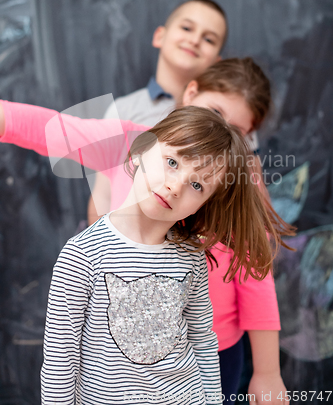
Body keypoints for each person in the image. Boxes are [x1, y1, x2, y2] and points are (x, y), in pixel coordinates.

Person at [0, 58, 292, 404]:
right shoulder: (132, 140)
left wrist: (268, 370)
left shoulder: (238, 176)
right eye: (215, 111)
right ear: (191, 92)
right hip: (113, 362)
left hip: (216, 347)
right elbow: (53, 128)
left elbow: (255, 271)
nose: (220, 130)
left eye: (238, 130)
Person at [87, 0, 229, 224]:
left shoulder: (224, 120)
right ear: (159, 36)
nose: (194, 40)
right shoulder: (125, 109)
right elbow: (103, 192)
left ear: (217, 62)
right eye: (186, 28)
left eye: (209, 39)